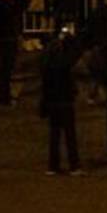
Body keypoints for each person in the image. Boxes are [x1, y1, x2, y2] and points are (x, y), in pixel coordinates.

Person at [40, 27, 83, 175]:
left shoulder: (47, 66)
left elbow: (44, 86)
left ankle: (53, 165)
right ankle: (74, 165)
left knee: (54, 134)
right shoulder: (64, 64)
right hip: (65, 101)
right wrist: (69, 38)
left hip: (52, 101)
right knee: (70, 134)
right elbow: (76, 53)